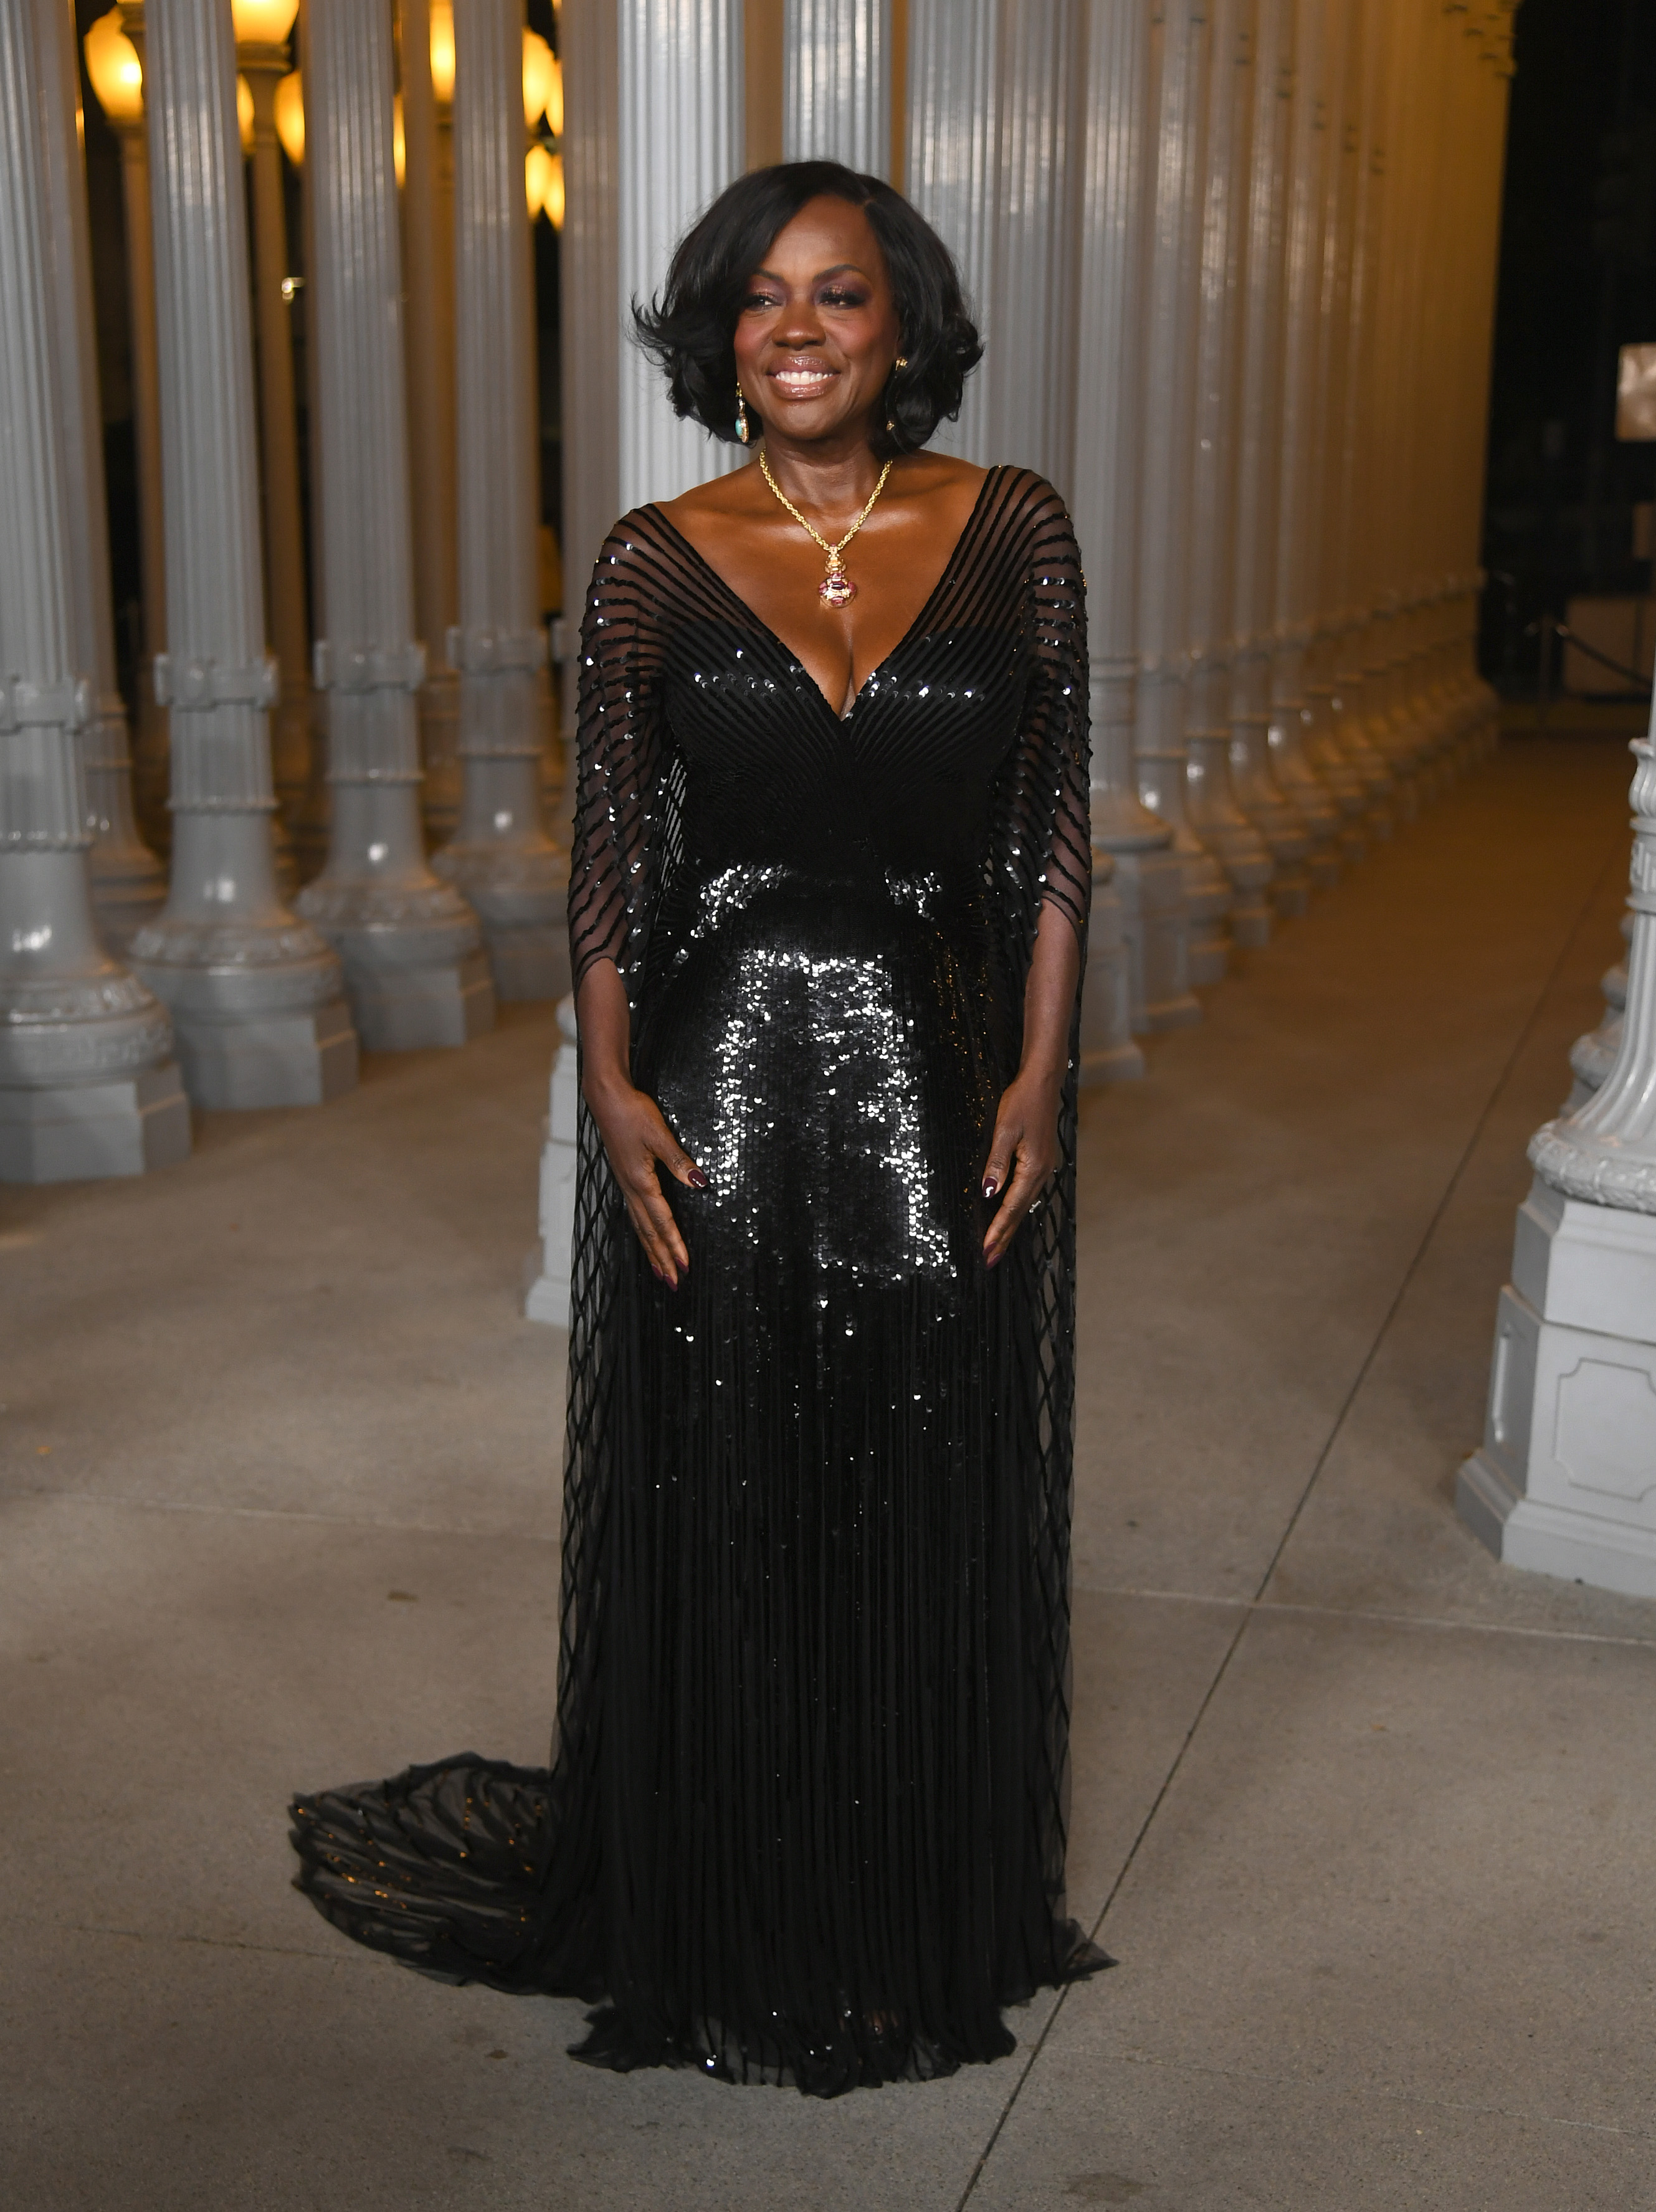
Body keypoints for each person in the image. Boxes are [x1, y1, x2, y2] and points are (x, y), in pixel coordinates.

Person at [290, 158, 1104, 2098]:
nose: (798, 329)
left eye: (836, 294)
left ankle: (901, 1911)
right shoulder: (654, 556)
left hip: (935, 1077)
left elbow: (1055, 843)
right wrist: (610, 1100)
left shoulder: (1014, 531)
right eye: (759, 298)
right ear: (716, 335)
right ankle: (726, 1915)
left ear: (901, 325)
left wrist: (1041, 1080)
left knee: (916, 1487)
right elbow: (607, 867)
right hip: (713, 1077)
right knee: (730, 1497)